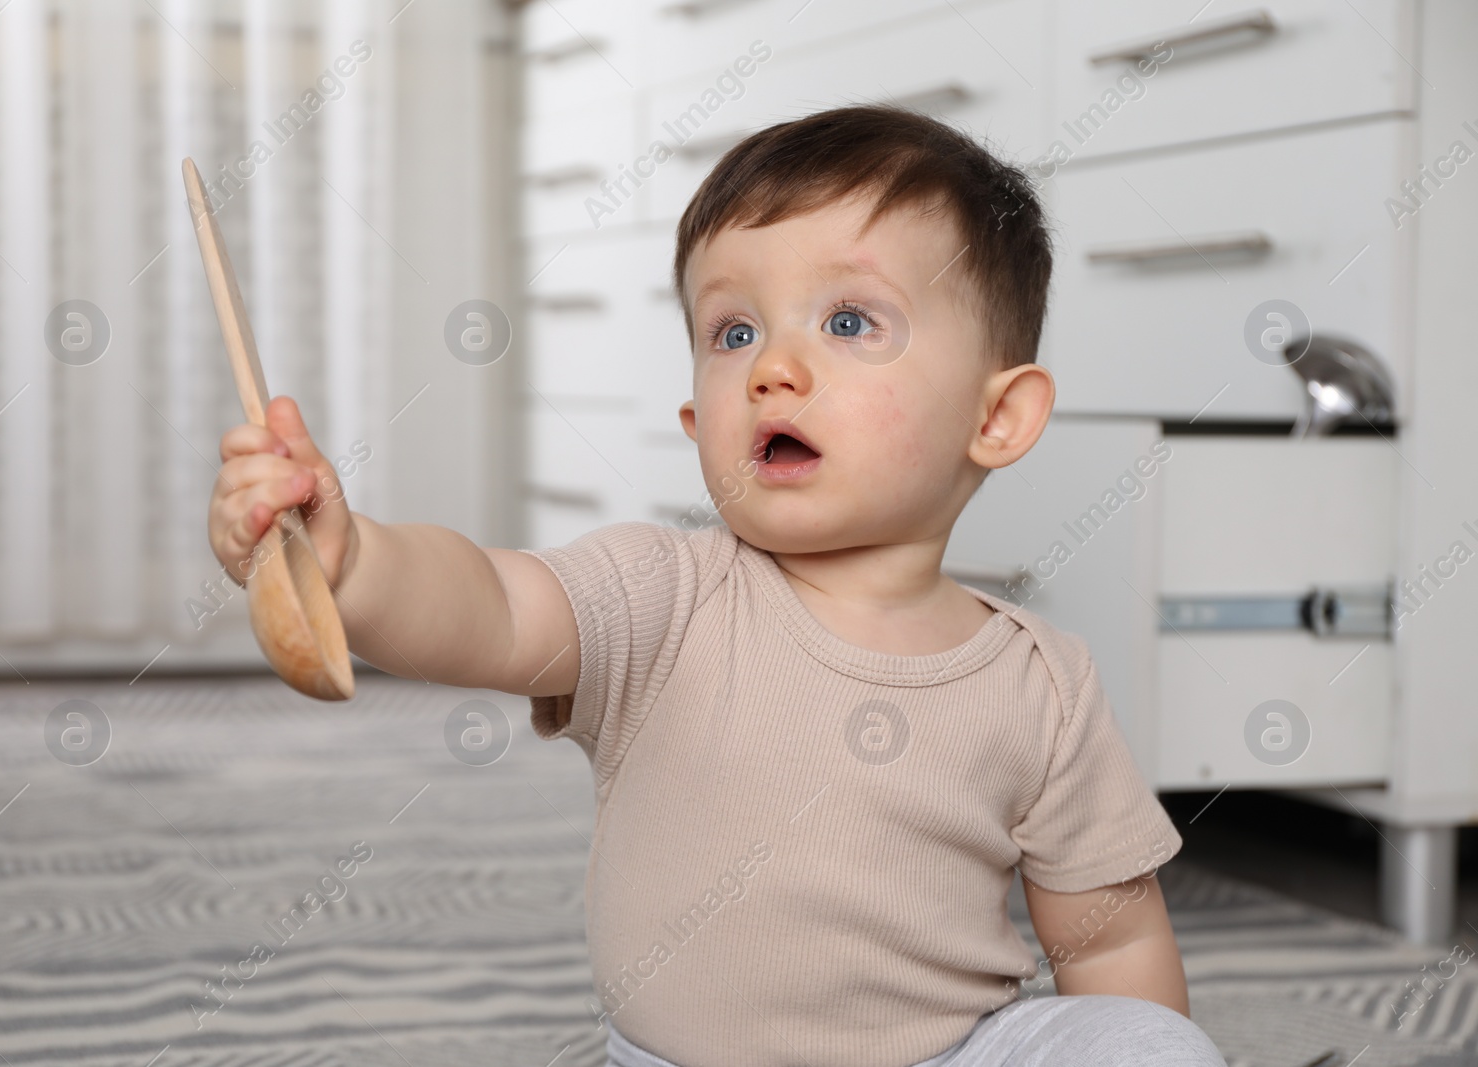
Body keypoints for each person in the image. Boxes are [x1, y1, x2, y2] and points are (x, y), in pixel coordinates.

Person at [206, 104, 1227, 1067]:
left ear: (996, 418)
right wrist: (351, 560)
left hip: (950, 1050)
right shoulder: (663, 595)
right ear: (698, 427)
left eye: (849, 321)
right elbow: (486, 606)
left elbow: (1109, 940)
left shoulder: (1041, 679)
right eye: (732, 332)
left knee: (1151, 1045)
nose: (772, 367)